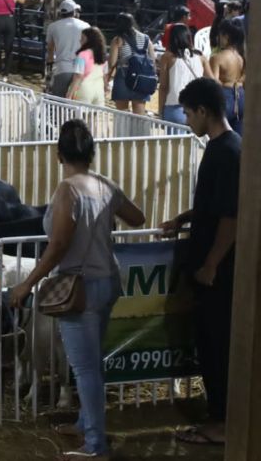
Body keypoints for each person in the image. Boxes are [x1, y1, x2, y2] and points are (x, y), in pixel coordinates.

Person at [10, 120, 146, 458]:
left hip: (78, 287)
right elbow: (138, 218)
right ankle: (86, 424)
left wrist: (27, 283)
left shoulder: (67, 190)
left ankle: (95, 444)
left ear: (59, 155)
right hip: (108, 280)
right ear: (92, 153)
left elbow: (58, 245)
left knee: (84, 368)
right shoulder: (105, 185)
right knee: (92, 361)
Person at [158, 78, 239, 447]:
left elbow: (231, 216)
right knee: (208, 342)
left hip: (218, 273)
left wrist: (211, 264)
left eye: (189, 113)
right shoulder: (222, 148)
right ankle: (217, 414)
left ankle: (222, 422)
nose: (187, 120)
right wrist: (184, 218)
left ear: (204, 111)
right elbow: (214, 205)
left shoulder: (228, 153)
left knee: (216, 344)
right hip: (212, 267)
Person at [158, 23, 213, 125]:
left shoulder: (167, 57)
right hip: (196, 109)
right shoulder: (201, 58)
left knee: (175, 136)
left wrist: (160, 110)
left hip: (175, 107)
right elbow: (211, 81)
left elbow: (163, 87)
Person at [104, 12, 156, 115]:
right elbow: (152, 60)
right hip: (141, 76)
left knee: (122, 114)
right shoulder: (146, 38)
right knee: (139, 114)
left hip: (124, 76)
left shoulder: (118, 40)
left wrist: (107, 78)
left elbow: (112, 63)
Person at [46, 0, 91, 98]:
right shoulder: (85, 26)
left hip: (62, 68)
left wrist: (49, 68)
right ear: (74, 11)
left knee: (58, 100)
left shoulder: (52, 27)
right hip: (81, 68)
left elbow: (50, 49)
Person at [209, 19, 245, 135]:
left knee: (220, 135)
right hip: (241, 96)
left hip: (225, 96)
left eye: (220, 35)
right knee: (238, 136)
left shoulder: (217, 58)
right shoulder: (241, 57)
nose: (218, 38)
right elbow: (245, 75)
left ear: (226, 36)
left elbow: (213, 83)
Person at [67, 27, 109, 106]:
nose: (80, 40)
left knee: (80, 113)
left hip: (84, 89)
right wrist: (106, 87)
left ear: (89, 40)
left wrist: (69, 94)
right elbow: (105, 75)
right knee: (95, 113)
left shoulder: (82, 54)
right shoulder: (103, 56)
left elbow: (78, 76)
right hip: (99, 90)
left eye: (82, 38)